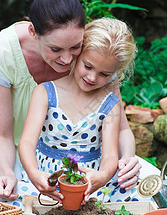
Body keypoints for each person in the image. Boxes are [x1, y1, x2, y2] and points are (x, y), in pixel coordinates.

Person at [0, 0, 153, 206]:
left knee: (147, 184)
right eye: (55, 50)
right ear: (34, 33)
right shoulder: (7, 53)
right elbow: (6, 136)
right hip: (17, 153)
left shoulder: (97, 56)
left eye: (75, 48)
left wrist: (126, 162)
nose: (67, 60)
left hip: (90, 164)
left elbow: (121, 132)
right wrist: (7, 171)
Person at [18, 17, 138, 204]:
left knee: (132, 197)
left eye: (104, 74)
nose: (91, 77)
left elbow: (110, 156)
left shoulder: (109, 104)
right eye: (88, 66)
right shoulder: (46, 92)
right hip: (45, 180)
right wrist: (34, 174)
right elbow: (26, 142)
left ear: (116, 72)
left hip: (88, 185)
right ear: (78, 54)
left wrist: (103, 176)